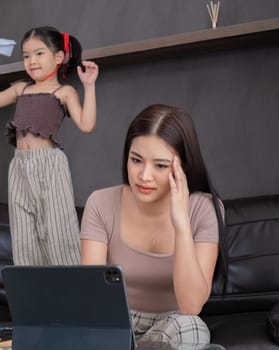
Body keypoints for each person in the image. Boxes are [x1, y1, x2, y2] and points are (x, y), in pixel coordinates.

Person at [80, 104, 223, 347]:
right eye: (136, 160)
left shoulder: (205, 209)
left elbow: (191, 305)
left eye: (160, 165)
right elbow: (92, 294)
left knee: (193, 329)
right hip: (115, 322)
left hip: (173, 324)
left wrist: (181, 225)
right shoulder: (100, 202)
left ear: (183, 166)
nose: (144, 176)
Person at [0, 26, 99, 265]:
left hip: (50, 165)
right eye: (26, 55)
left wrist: (90, 87)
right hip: (19, 166)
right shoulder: (21, 88)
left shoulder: (64, 91)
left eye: (39, 53)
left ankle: (72, 296)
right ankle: (33, 297)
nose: (31, 61)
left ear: (59, 57)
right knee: (24, 238)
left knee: (58, 233)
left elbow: (86, 124)